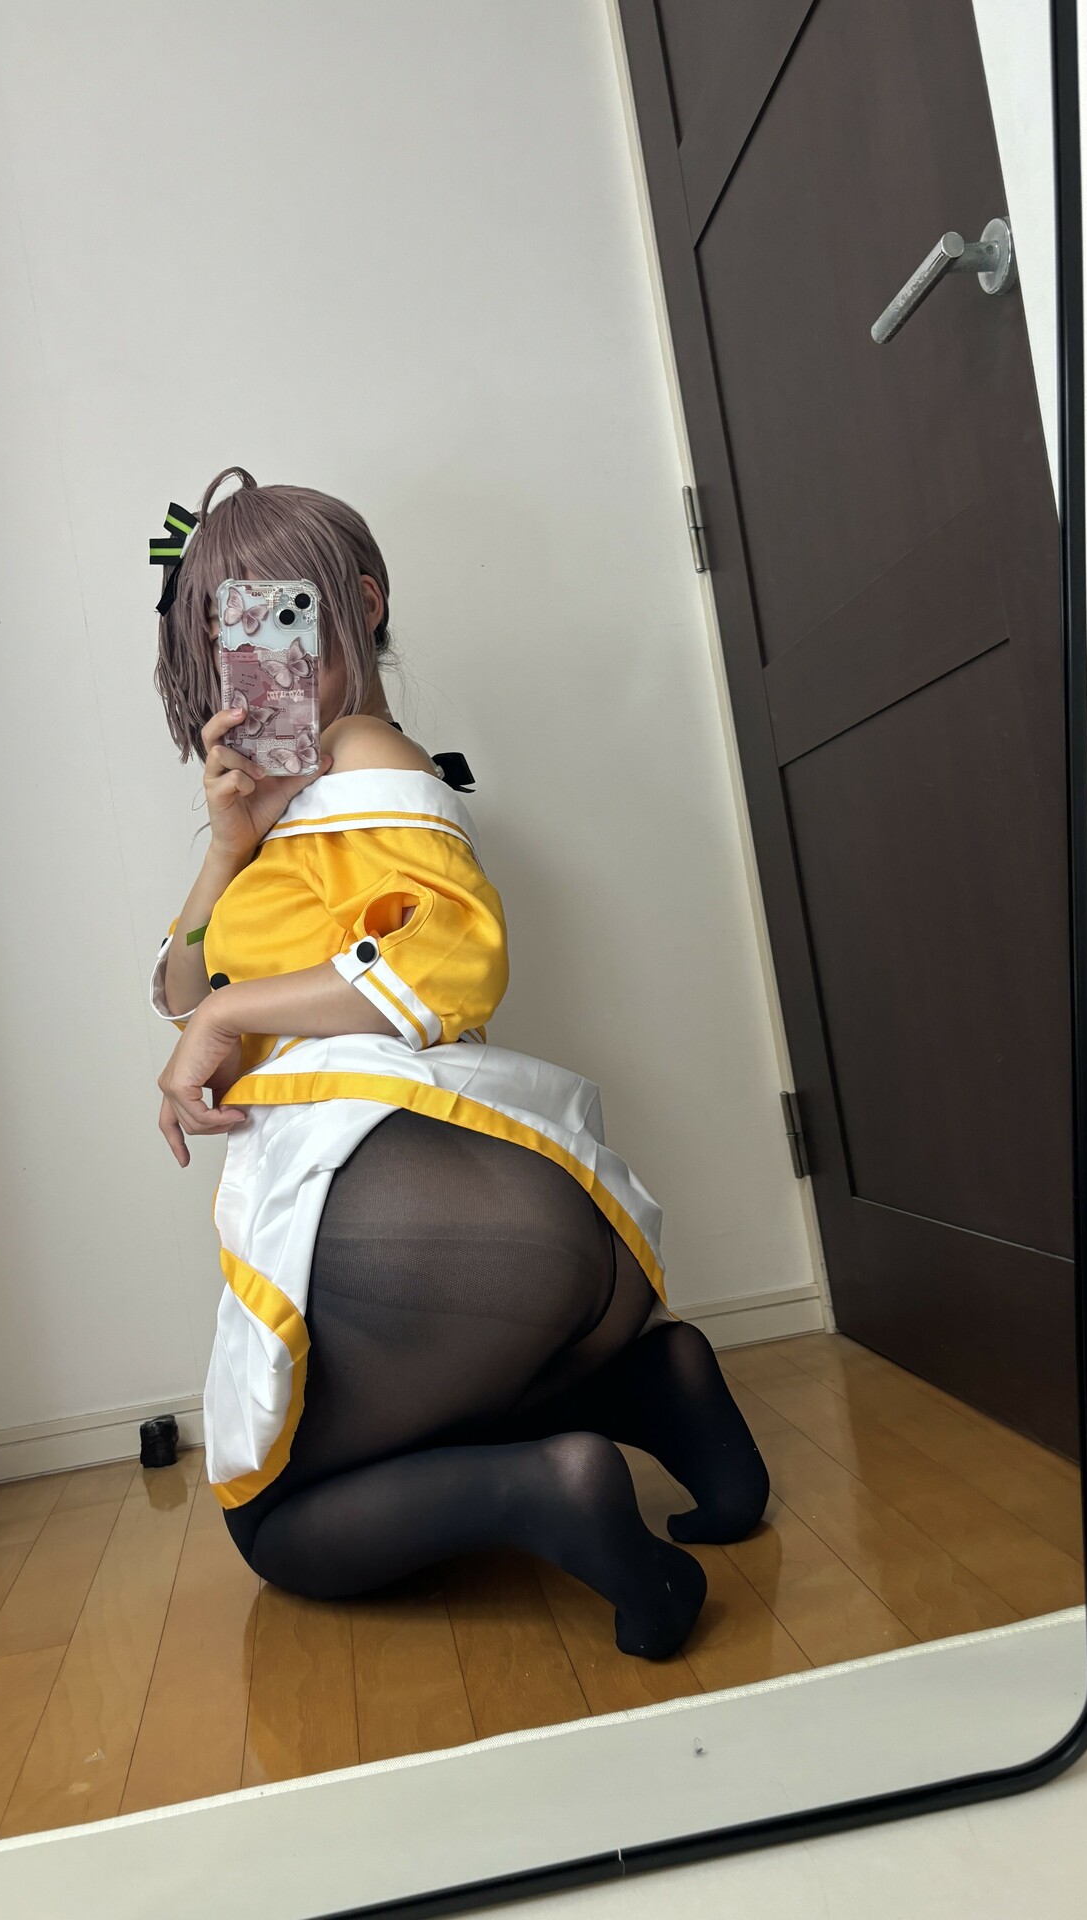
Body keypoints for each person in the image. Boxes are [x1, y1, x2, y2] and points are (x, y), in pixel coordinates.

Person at [148, 467, 769, 1659]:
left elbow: (445, 963)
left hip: (408, 1205)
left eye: (279, 615)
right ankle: (655, 1388)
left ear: (362, 604)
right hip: (487, 1218)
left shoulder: (369, 759)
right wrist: (228, 850)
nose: (252, 660)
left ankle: (556, 1493)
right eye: (225, 633)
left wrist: (230, 1018)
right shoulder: (298, 800)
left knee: (275, 1523)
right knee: (408, 1411)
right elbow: (181, 990)